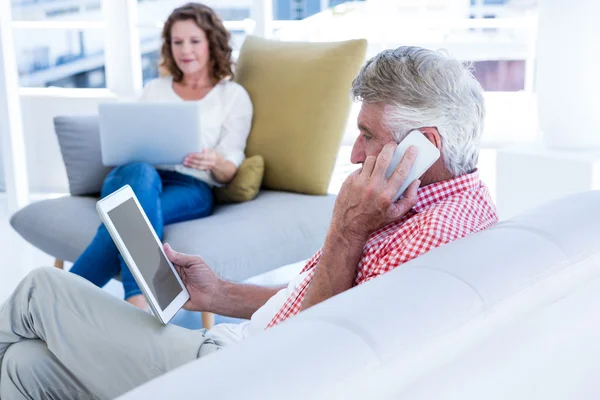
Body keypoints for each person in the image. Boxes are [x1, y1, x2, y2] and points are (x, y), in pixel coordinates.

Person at [0, 46, 498, 400]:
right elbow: (330, 298)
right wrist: (220, 295)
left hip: (240, 374)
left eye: (368, 135)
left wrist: (347, 229)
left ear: (425, 143)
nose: (354, 154)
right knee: (24, 368)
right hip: (234, 344)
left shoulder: (433, 236)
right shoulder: (436, 204)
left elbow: (315, 353)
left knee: (41, 290)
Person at [69, 3, 253, 311]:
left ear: (212, 43)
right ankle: (138, 298)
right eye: (177, 42)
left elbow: (230, 167)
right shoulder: (155, 88)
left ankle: (55, 299)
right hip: (136, 177)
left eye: (194, 41)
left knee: (123, 222)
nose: (185, 50)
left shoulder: (232, 96)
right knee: (140, 175)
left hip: (191, 186)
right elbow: (128, 141)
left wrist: (214, 162)